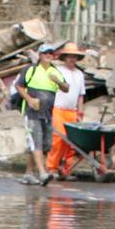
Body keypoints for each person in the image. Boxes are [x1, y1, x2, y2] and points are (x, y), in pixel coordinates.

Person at [14, 44, 69, 186]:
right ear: (39, 55)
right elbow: (19, 86)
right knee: (36, 142)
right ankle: (42, 173)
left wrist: (57, 81)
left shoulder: (55, 71)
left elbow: (66, 88)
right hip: (32, 113)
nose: (48, 55)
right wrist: (29, 99)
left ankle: (28, 173)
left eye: (50, 53)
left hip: (47, 114)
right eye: (45, 53)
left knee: (45, 145)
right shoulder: (31, 70)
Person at [45, 42, 87, 181]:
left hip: (72, 111)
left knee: (72, 142)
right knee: (58, 138)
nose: (72, 59)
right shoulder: (58, 71)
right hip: (58, 109)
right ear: (64, 57)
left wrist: (80, 113)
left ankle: (66, 169)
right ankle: (51, 167)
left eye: (74, 56)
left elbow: (81, 95)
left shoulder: (80, 74)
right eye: (69, 56)